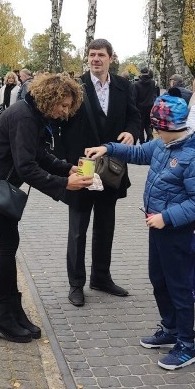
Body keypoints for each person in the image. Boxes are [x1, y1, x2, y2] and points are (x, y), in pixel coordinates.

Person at [86, 95, 195, 369]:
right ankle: (169, 328)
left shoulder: (191, 157)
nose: (155, 133)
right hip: (157, 227)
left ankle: (186, 345)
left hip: (174, 231)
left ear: (172, 127)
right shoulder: (163, 144)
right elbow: (137, 153)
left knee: (178, 286)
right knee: (158, 279)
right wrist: (107, 148)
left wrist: (167, 218)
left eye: (158, 128)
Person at [0, 73, 93, 342]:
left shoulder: (32, 114)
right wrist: (63, 184)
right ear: (51, 98)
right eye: (63, 105)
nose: (65, 111)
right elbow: (26, 166)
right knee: (8, 246)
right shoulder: (24, 116)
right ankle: (2, 315)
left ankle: (11, 311)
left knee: (9, 245)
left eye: (68, 106)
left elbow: (39, 154)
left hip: (0, 185)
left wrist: (66, 167)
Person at [61, 39, 142, 307]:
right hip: (82, 165)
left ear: (111, 58)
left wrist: (131, 131)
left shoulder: (123, 86)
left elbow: (135, 116)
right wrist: (65, 164)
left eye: (101, 55)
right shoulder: (75, 87)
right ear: (87, 58)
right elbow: (62, 123)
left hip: (112, 168)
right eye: (92, 55)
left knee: (106, 225)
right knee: (78, 229)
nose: (96, 59)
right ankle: (76, 284)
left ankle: (101, 277)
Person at [133, 67, 160, 143]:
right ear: (148, 72)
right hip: (151, 107)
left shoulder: (136, 84)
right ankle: (150, 137)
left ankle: (142, 142)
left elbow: (134, 98)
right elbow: (157, 95)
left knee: (140, 127)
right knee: (149, 124)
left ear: (140, 73)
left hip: (139, 109)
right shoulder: (153, 83)